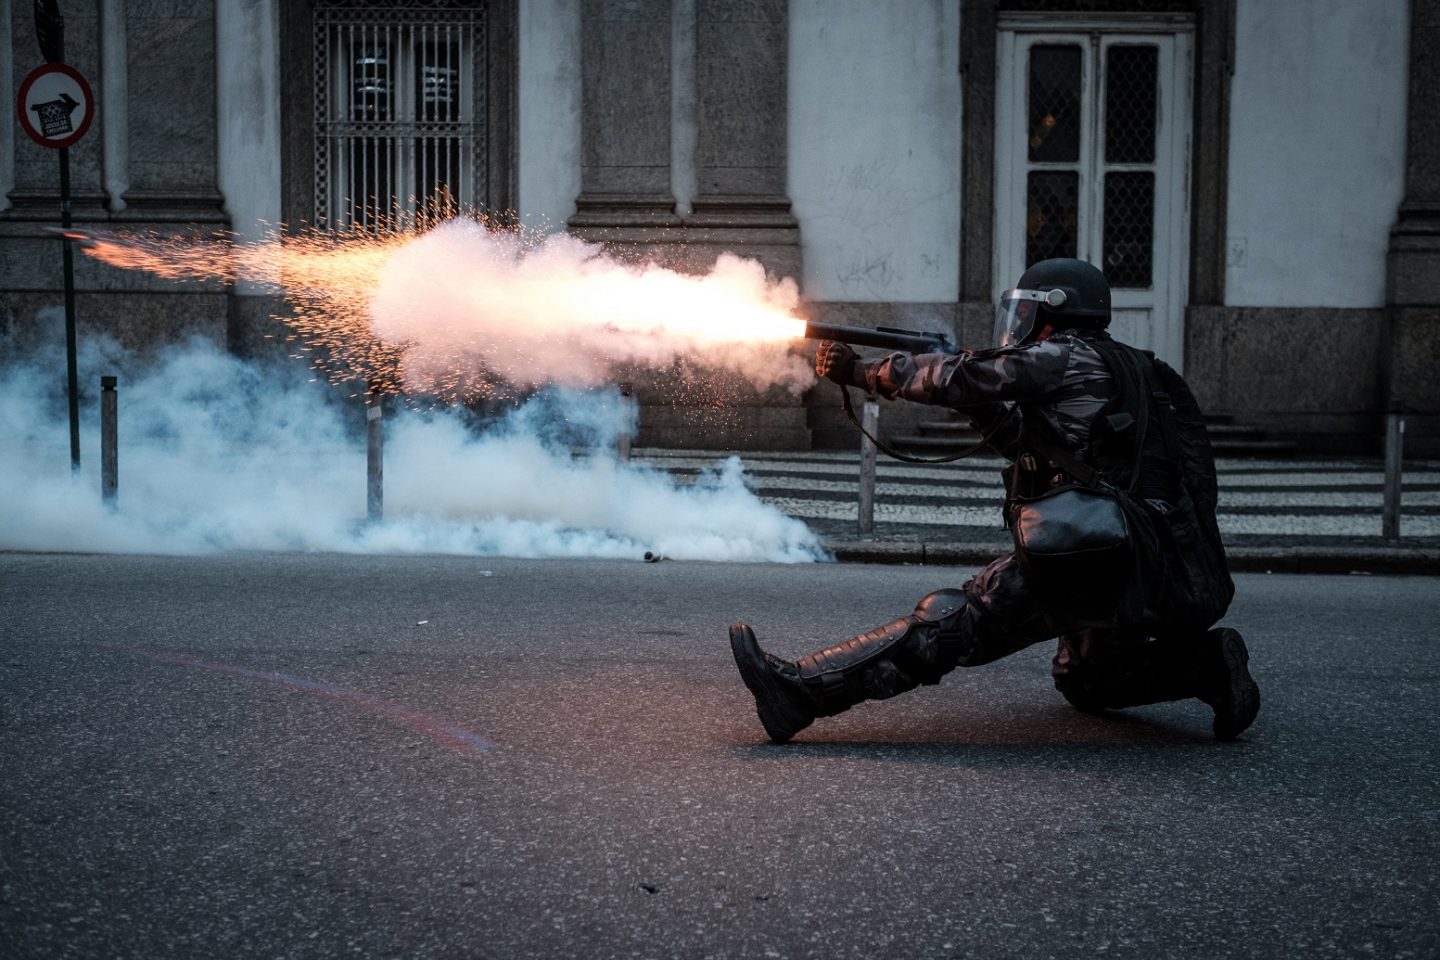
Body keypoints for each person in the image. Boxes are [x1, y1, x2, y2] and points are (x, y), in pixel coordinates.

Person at [729, 258, 1260, 743]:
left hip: (1100, 554)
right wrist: (981, 407)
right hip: (1155, 558)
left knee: (955, 620)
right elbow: (1036, 443)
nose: (1020, 322)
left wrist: (861, 372)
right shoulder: (1134, 367)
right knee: (1086, 677)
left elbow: (956, 378)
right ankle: (1207, 665)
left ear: (1051, 311)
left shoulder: (1062, 356)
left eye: (1026, 310)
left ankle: (799, 692)